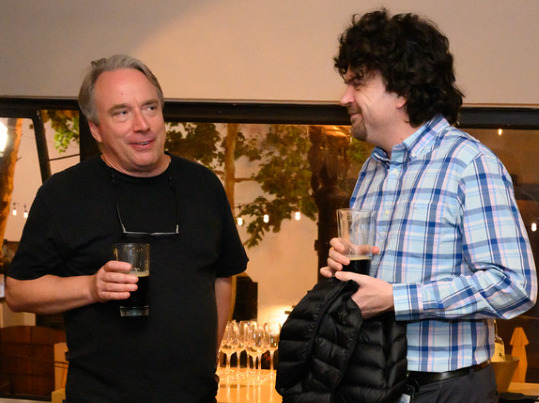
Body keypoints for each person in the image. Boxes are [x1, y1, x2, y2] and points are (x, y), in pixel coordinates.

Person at [321, 9, 537, 402]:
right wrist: (344, 268)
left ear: (402, 91)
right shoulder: (372, 168)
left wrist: (398, 298)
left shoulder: (469, 165)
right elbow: (373, 280)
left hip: (448, 391)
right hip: (375, 386)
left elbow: (514, 285)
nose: (344, 97)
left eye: (358, 82)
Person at [6, 55, 248, 403]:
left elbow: (223, 276)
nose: (142, 124)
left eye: (150, 108)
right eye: (122, 113)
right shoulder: (63, 194)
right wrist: (91, 287)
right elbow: (18, 292)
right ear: (96, 128)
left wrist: (207, 360)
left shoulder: (204, 186)